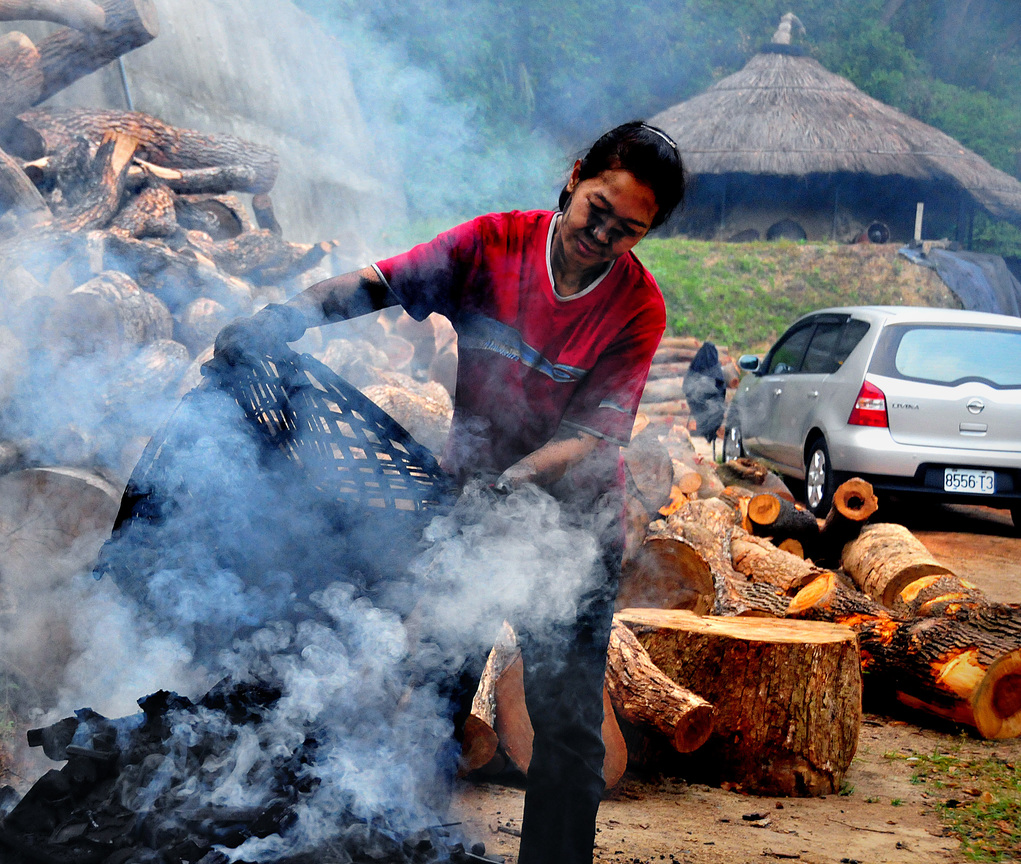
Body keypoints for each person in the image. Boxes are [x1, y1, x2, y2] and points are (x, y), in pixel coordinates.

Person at [215, 120, 686, 864]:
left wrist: (516, 481)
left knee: (565, 727)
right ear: (573, 176)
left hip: (571, 531)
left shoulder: (636, 306)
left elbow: (592, 435)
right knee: (435, 683)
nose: (601, 234)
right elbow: (376, 283)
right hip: (469, 502)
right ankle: (410, 847)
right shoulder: (492, 244)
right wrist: (283, 320)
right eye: (598, 207)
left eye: (627, 230)